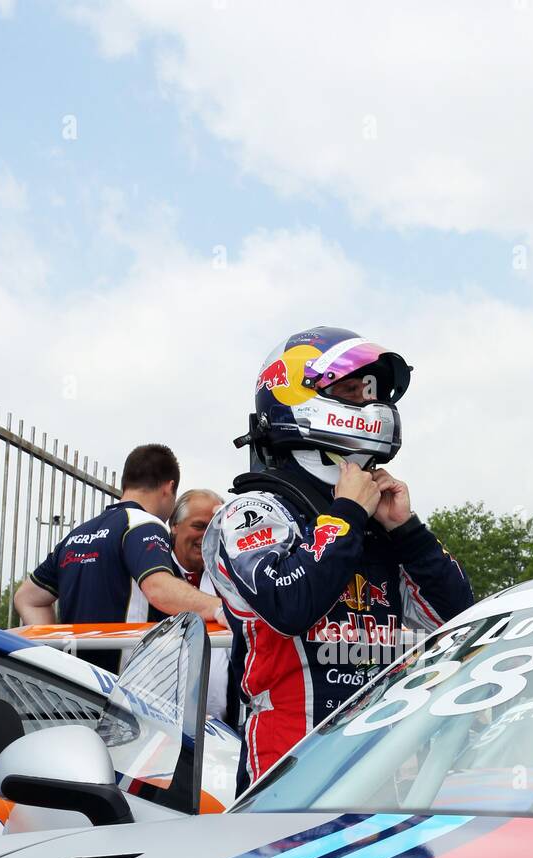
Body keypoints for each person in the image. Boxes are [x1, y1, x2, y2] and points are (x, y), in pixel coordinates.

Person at [203, 325, 474, 793]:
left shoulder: (374, 520)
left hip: (379, 776)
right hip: (286, 778)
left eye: (372, 392)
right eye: (351, 391)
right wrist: (345, 515)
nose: (370, 405)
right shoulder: (252, 511)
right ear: (292, 393)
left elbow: (460, 617)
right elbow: (290, 606)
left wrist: (407, 532)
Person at [14, 444, 226, 672]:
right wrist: (220, 608)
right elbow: (158, 588)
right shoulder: (145, 524)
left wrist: (52, 656)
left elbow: (27, 597)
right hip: (123, 692)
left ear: (126, 483)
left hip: (76, 687)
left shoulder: (77, 535)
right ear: (169, 487)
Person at [170, 487, 229, 720]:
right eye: (199, 526)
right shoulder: (152, 575)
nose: (206, 536)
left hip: (225, 726)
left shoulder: (231, 575)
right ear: (174, 526)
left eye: (215, 528)